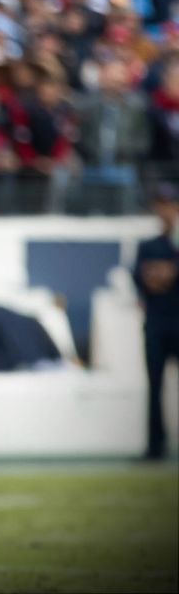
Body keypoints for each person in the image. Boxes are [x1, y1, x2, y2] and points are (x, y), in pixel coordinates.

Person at [133, 182, 179, 461]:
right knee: (154, 387)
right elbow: (145, 279)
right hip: (157, 325)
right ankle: (155, 446)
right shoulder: (148, 245)